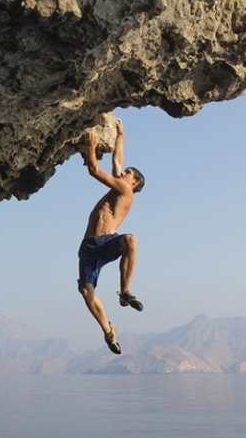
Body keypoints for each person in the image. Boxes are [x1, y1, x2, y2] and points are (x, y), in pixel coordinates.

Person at [78, 120, 146, 354]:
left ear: (133, 183)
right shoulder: (119, 187)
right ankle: (108, 331)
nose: (123, 171)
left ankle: (125, 291)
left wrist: (90, 147)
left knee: (130, 240)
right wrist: (120, 134)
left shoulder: (125, 190)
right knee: (87, 292)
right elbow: (117, 161)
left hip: (107, 242)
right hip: (88, 246)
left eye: (128, 173)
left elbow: (94, 170)